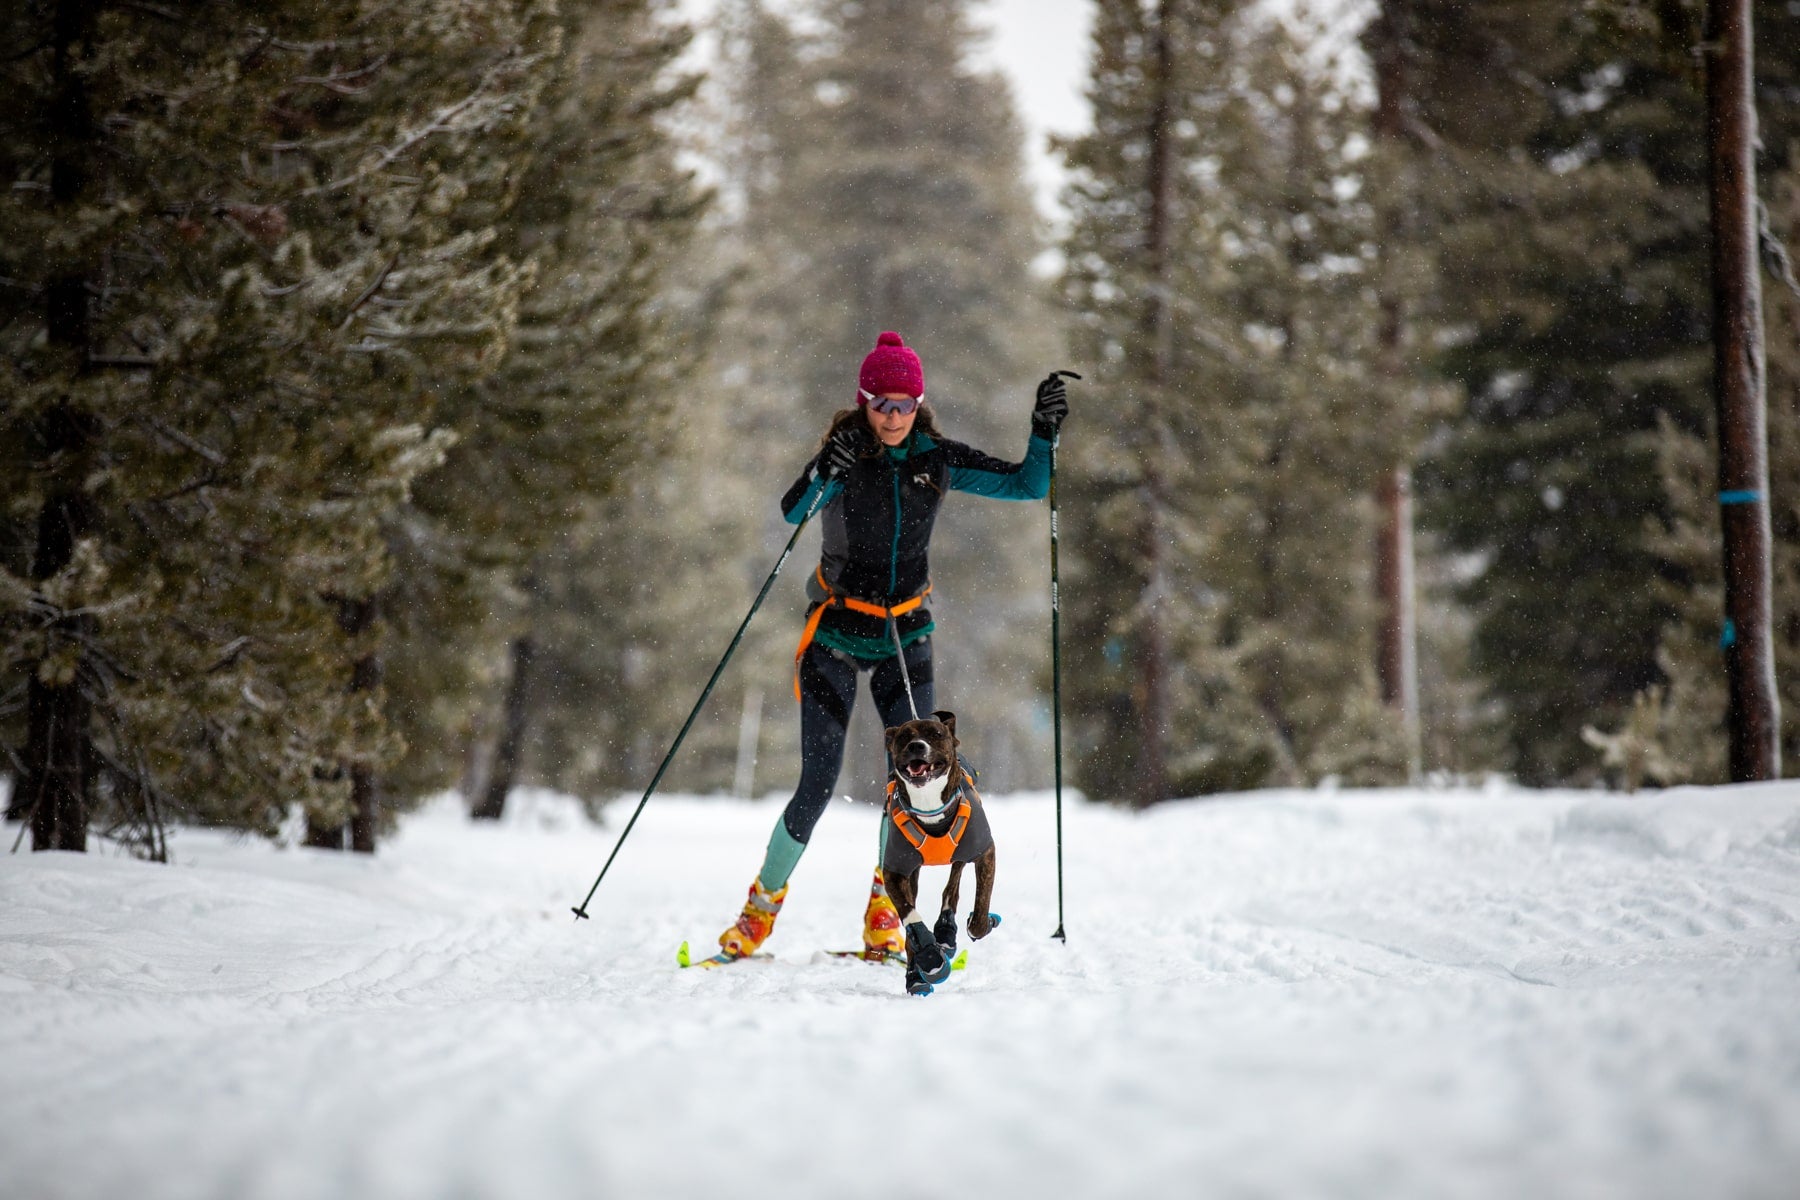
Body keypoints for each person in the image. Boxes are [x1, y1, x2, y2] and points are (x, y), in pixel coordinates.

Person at [714, 330, 1071, 960]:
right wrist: (827, 466)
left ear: (919, 404)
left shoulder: (936, 459)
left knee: (910, 780)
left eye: (905, 404)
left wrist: (1042, 434)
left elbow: (1026, 486)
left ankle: (886, 909)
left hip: (907, 637)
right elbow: (794, 511)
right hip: (834, 633)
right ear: (863, 401)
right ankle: (758, 913)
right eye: (882, 403)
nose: (894, 416)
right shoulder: (845, 453)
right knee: (817, 783)